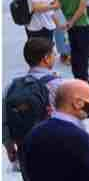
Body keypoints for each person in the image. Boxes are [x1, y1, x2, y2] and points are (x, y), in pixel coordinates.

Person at [2, 38, 62, 173]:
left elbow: (4, 120)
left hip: (25, 151)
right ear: (46, 59)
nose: (55, 57)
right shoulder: (57, 85)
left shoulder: (12, 86)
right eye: (53, 54)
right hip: (53, 149)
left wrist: (9, 147)